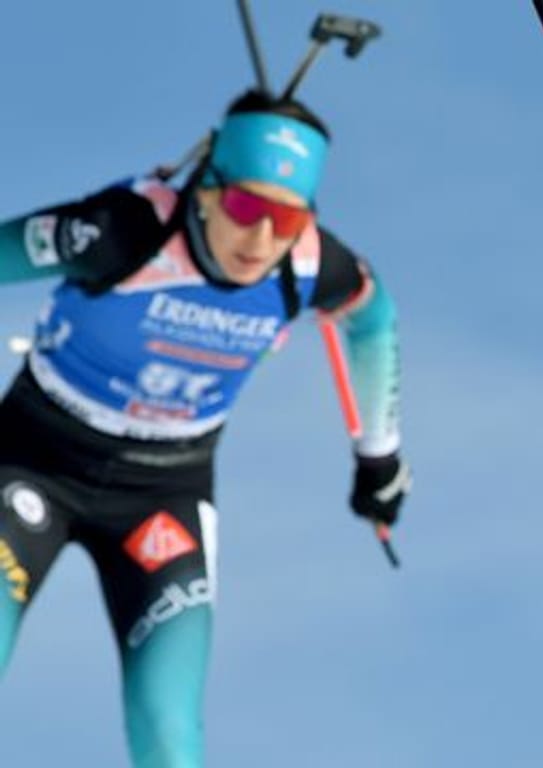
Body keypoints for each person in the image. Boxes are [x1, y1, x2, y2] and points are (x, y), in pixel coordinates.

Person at [0, 89, 409, 767]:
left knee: (169, 730)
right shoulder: (120, 230)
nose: (262, 239)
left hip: (163, 494)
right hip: (31, 458)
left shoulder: (307, 266)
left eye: (288, 218)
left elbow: (374, 319)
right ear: (206, 187)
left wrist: (380, 457)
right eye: (248, 208)